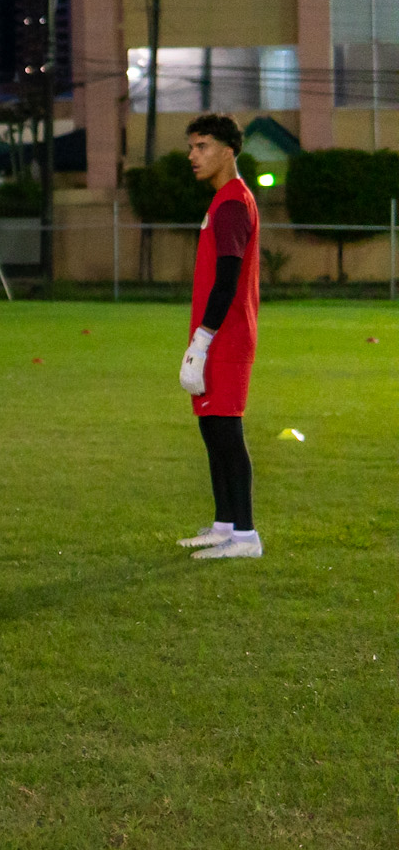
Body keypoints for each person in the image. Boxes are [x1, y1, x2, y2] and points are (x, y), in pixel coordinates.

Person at [176, 113, 262, 559]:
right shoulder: (224, 201)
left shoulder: (231, 203)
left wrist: (202, 341)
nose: (193, 155)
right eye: (191, 146)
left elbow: (226, 282)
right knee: (213, 431)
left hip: (226, 340)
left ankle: (246, 537)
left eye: (202, 146)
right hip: (218, 338)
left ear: (228, 150)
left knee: (227, 432)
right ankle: (224, 525)